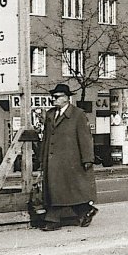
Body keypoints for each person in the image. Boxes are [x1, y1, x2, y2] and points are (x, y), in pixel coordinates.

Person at [39, 84, 98, 231]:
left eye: (57, 97)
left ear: (66, 98)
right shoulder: (50, 114)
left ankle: (53, 219)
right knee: (62, 189)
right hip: (52, 160)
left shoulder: (78, 114)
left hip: (70, 160)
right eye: (53, 96)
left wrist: (87, 159)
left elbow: (85, 138)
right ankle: (85, 211)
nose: (54, 99)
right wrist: (41, 158)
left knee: (65, 189)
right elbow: (46, 138)